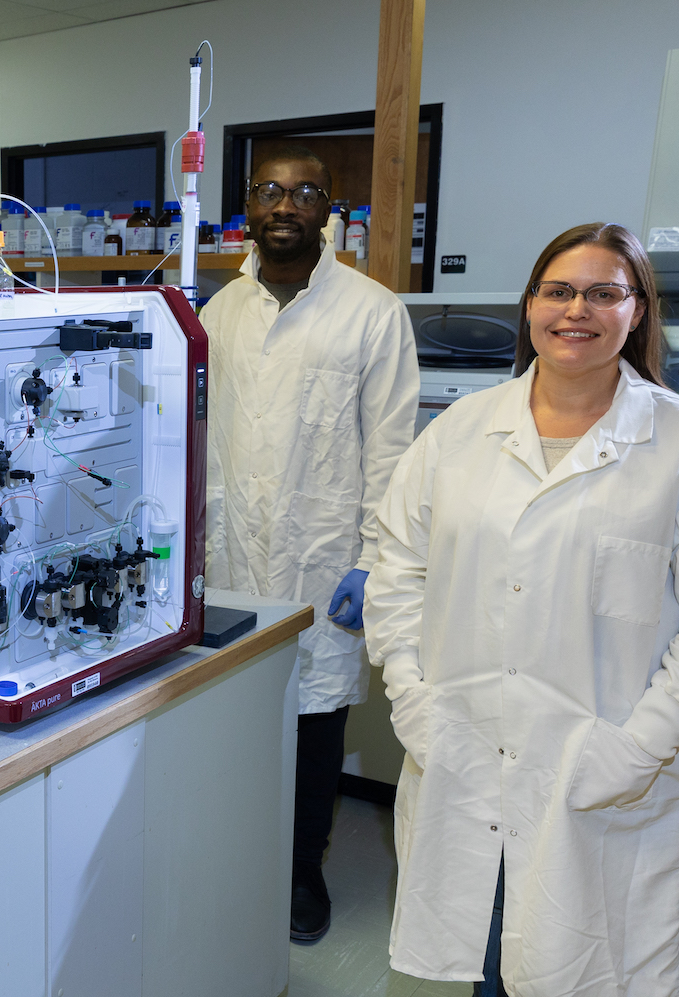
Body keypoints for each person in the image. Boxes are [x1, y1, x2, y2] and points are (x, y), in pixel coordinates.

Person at [365, 222, 679, 997]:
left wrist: (640, 744)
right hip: (466, 756)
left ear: (636, 312)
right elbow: (395, 567)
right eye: (559, 291)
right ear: (530, 305)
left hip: (603, 778)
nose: (578, 310)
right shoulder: (459, 434)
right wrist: (413, 697)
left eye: (605, 292)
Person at [202, 144, 420, 943]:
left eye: (303, 193)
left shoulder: (372, 311)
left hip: (325, 552)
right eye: (269, 191)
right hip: (229, 552)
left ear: (329, 209)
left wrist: (374, 558)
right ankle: (239, 851)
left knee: (316, 714)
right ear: (249, 208)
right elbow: (201, 434)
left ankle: (302, 868)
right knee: (235, 708)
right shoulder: (220, 311)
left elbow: (393, 449)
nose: (284, 206)